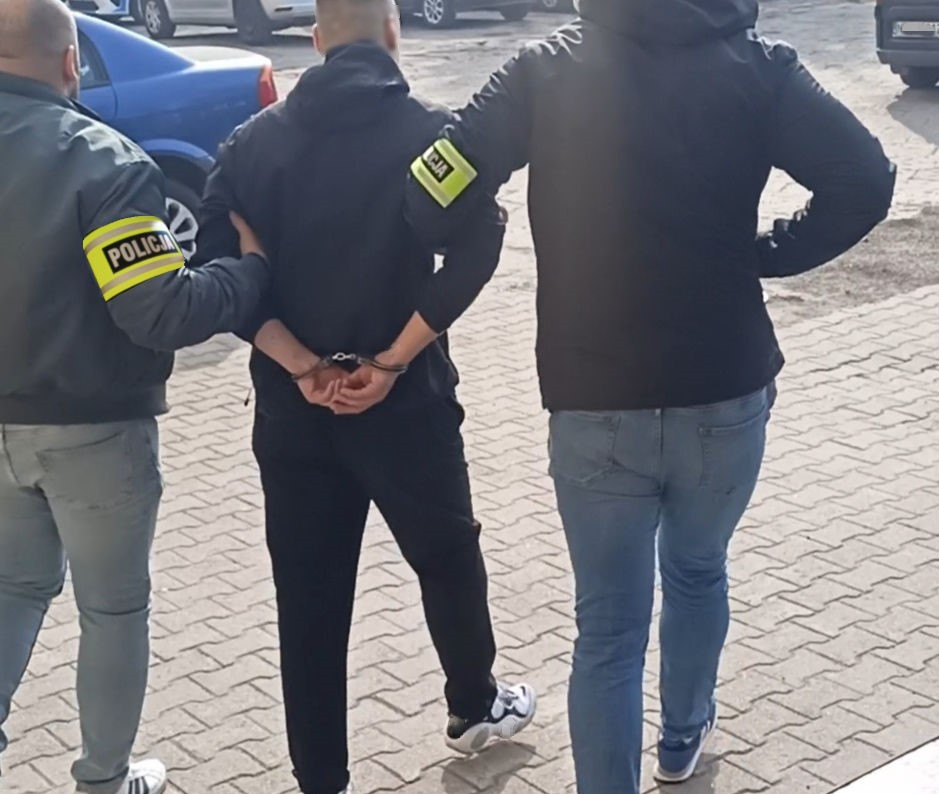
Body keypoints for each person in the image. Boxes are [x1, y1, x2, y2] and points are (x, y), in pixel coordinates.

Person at [404, 0, 896, 792]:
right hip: (723, 389)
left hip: (592, 395)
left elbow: (434, 183)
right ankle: (680, 741)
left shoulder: (543, 71)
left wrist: (463, 221)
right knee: (698, 570)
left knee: (607, 628)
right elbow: (866, 179)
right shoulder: (759, 68)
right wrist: (768, 252)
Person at [191, 1, 536, 792]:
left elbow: (218, 272)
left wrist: (301, 366)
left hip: (294, 412)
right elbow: (478, 247)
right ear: (392, 33)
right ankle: (473, 704)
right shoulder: (433, 138)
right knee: (447, 556)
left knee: (308, 601)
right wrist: (389, 361)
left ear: (316, 41)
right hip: (406, 402)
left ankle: (321, 777)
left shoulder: (249, 146)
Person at [0, 1, 271, 792]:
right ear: (70, 62)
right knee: (112, 610)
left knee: (13, 589)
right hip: (94, 430)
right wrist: (246, 274)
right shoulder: (102, 162)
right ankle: (104, 778)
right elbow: (158, 312)